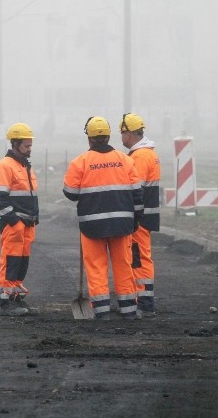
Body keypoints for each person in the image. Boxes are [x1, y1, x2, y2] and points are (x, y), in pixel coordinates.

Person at [63, 116, 143, 320]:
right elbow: (137, 194)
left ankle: (102, 312)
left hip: (92, 225)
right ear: (108, 136)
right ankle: (129, 311)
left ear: (89, 138)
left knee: (96, 268)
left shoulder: (80, 162)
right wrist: (135, 219)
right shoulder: (126, 160)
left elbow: (70, 193)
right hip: (122, 224)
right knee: (124, 266)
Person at [0, 122, 39, 317]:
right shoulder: (5, 166)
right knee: (11, 260)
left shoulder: (24, 166)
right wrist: (14, 221)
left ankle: (17, 296)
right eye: (27, 146)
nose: (30, 149)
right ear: (15, 144)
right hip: (16, 224)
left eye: (30, 145)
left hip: (27, 224)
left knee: (22, 261)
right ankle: (6, 300)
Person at [120, 113, 160, 317]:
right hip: (145, 215)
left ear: (128, 134)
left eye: (122, 133)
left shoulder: (140, 156)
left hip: (140, 217)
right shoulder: (145, 153)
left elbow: (134, 187)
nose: (121, 137)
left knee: (139, 258)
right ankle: (143, 299)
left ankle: (144, 303)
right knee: (140, 257)